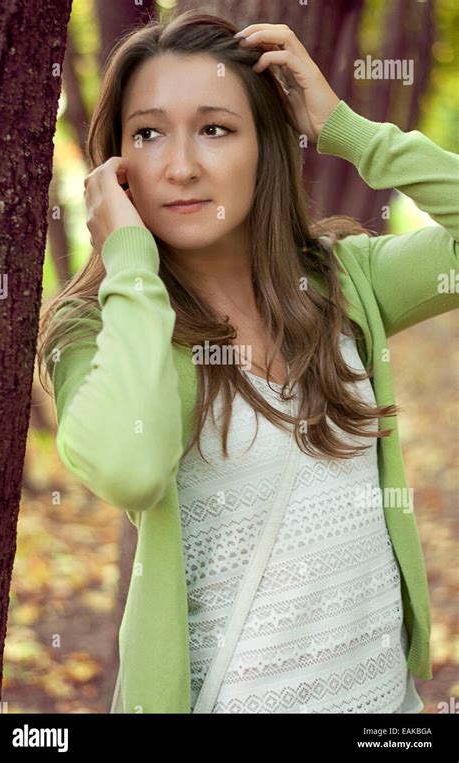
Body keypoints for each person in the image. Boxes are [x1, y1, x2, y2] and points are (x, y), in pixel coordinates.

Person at [37, 10, 458, 713]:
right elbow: (129, 469)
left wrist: (347, 128)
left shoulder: (343, 282)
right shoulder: (103, 332)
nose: (180, 165)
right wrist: (130, 262)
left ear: (267, 143)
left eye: (215, 128)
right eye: (148, 133)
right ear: (117, 168)